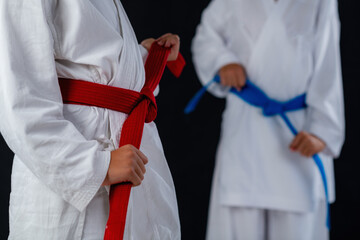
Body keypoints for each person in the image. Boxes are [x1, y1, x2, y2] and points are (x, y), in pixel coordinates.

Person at [0, 1, 181, 239]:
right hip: (79, 165)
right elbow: (22, 98)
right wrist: (94, 167)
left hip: (129, 158)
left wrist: (143, 58)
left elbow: (93, 66)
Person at [192, 0, 344, 239]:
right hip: (245, 135)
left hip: (298, 134)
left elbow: (329, 64)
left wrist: (322, 131)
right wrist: (223, 61)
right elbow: (205, 37)